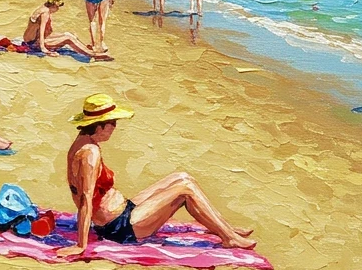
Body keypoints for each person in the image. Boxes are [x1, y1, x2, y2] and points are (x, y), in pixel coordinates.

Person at [63, 93, 255, 257]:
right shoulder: (89, 153)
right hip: (120, 227)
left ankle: (224, 227)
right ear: (99, 126)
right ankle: (228, 237)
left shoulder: (83, 144)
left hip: (123, 212)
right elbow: (85, 198)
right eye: (112, 123)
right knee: (185, 189)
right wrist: (81, 245)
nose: (115, 128)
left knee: (182, 177)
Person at [24, 0, 93, 57]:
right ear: (53, 5)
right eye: (58, 7)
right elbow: (42, 31)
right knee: (68, 38)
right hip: (34, 44)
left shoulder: (44, 8)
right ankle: (91, 54)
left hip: (36, 39)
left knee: (69, 34)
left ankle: (85, 49)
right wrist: (43, 49)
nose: (58, 9)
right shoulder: (45, 14)